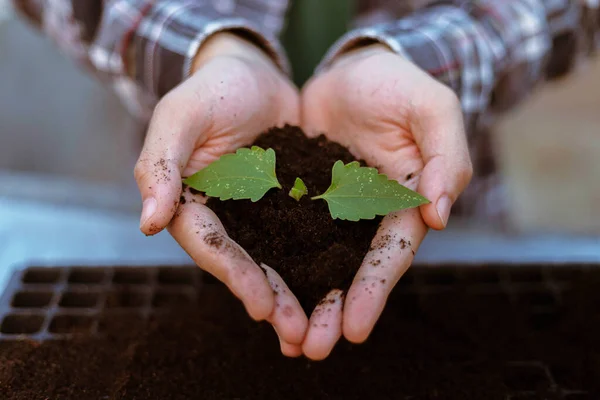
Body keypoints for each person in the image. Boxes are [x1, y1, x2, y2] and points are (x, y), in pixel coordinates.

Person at [12, 0, 599, 360]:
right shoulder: (224, 175)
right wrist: (214, 52)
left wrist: (424, 56)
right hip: (188, 228)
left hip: (437, 218)